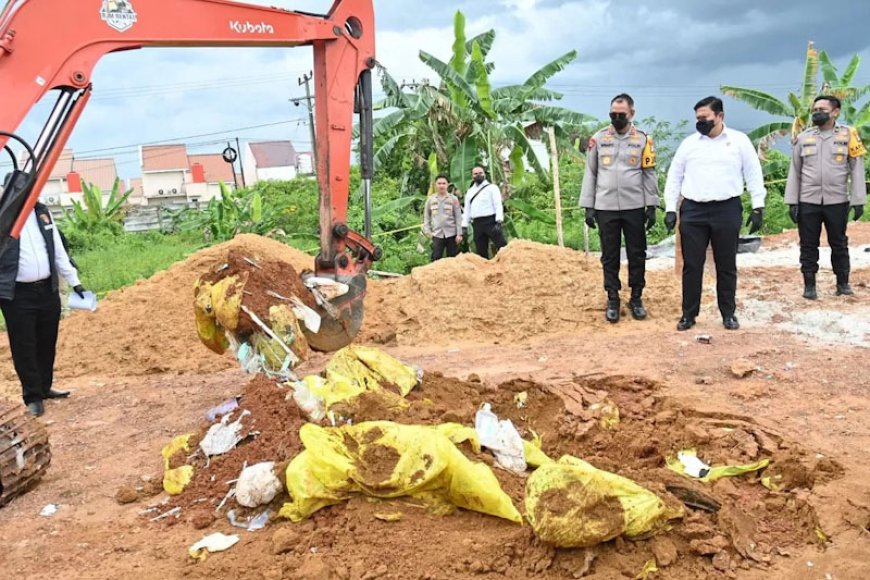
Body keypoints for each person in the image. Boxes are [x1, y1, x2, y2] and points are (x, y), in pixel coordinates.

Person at [664, 96, 766, 332]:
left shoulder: (739, 141)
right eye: (697, 119)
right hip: (693, 210)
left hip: (727, 209)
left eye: (704, 118)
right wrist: (670, 208)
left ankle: (728, 313)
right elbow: (674, 176)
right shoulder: (689, 144)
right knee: (692, 265)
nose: (700, 122)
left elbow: (753, 173)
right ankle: (689, 314)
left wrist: (757, 206)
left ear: (720, 116)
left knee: (726, 264)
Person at [0, 202, 86, 417]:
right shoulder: (5, 214)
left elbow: (57, 249)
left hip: (47, 289)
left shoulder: (42, 213)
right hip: (17, 294)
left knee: (47, 341)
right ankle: (33, 396)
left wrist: (74, 281)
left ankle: (44, 387)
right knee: (24, 345)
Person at [580, 93, 659, 323]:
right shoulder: (599, 138)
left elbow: (649, 173)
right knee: (609, 255)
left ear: (631, 114)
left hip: (634, 206)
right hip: (605, 206)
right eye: (612, 114)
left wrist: (652, 204)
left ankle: (636, 297)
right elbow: (591, 173)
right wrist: (588, 206)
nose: (616, 118)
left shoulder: (643, 140)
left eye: (621, 115)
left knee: (637, 254)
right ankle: (612, 297)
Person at [784, 95, 867, 299]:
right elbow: (794, 170)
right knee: (808, 244)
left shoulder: (849, 135)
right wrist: (792, 201)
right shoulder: (804, 137)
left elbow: (857, 168)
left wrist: (858, 200)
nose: (816, 112)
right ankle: (810, 285)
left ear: (835, 112)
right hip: (808, 200)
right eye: (814, 109)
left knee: (839, 243)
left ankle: (843, 283)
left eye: (821, 109)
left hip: (837, 200)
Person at [461, 166, 507, 258]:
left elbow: (498, 204)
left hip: (491, 221)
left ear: (484, 174)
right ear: (472, 176)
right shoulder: (470, 192)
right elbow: (467, 210)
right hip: (477, 223)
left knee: (502, 246)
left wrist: (499, 221)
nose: (478, 175)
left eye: (480, 173)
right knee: (481, 249)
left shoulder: (492, 188)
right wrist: (464, 226)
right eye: (475, 174)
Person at [423, 174, 463, 261]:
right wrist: (427, 231)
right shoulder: (430, 199)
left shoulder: (453, 199)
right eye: (439, 183)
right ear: (435, 185)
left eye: (444, 183)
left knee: (452, 258)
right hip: (437, 233)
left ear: (447, 185)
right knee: (436, 257)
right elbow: (426, 216)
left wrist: (459, 233)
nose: (441, 186)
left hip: (452, 234)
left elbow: (458, 217)